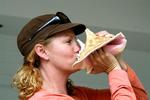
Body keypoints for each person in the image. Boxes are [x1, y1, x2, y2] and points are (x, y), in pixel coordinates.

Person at [12, 12, 148, 100]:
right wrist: (112, 69)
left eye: (76, 40)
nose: (78, 47)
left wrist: (118, 61)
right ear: (42, 51)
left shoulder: (79, 95)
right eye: (68, 41)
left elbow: (140, 97)